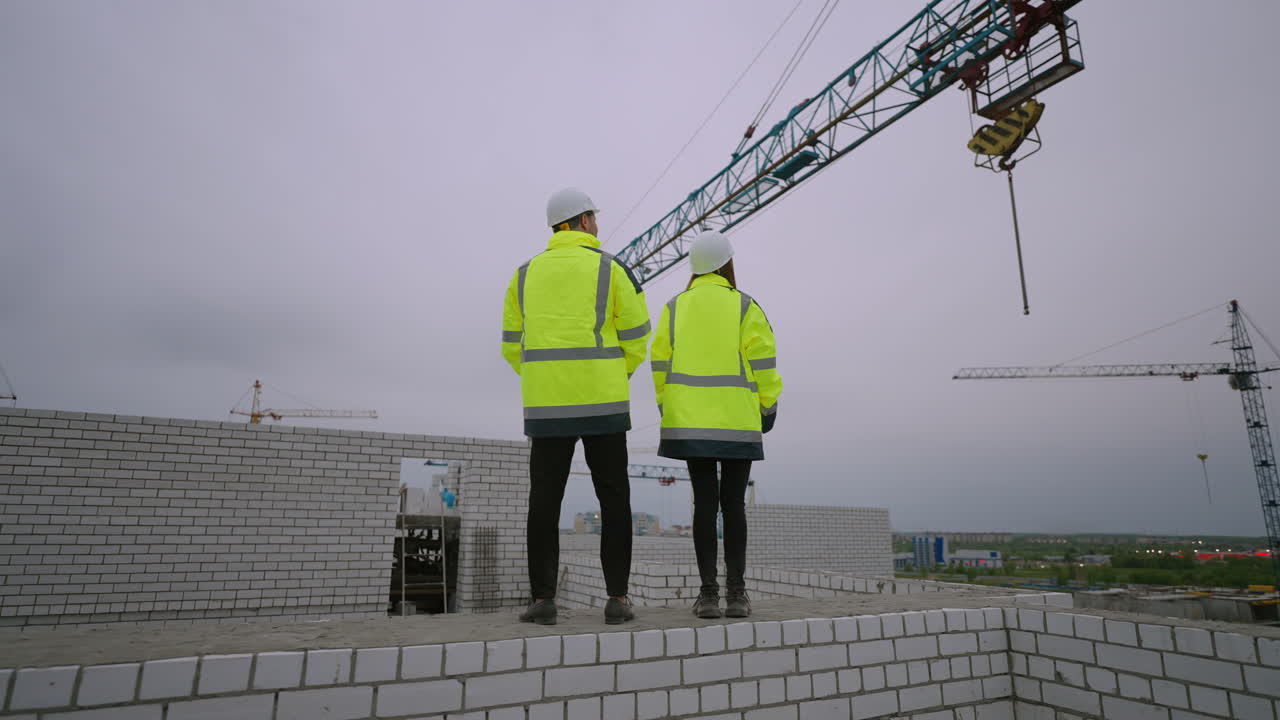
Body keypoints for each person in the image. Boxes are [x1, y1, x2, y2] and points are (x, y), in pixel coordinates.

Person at [501, 187, 651, 625]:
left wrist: (544, 380)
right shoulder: (610, 269)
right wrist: (612, 374)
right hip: (602, 403)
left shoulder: (524, 275)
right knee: (614, 499)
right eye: (595, 218)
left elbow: (512, 345)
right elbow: (638, 333)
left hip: (547, 407)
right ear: (583, 222)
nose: (598, 225)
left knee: (544, 502)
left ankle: (543, 599)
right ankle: (617, 599)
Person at [649, 230, 782, 619]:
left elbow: (660, 364)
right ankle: (737, 595)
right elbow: (764, 363)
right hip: (738, 421)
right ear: (727, 263)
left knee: (704, 505)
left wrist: (668, 407)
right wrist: (768, 407)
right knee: (734, 505)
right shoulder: (745, 307)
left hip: (691, 423)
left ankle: (708, 596)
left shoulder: (675, 308)